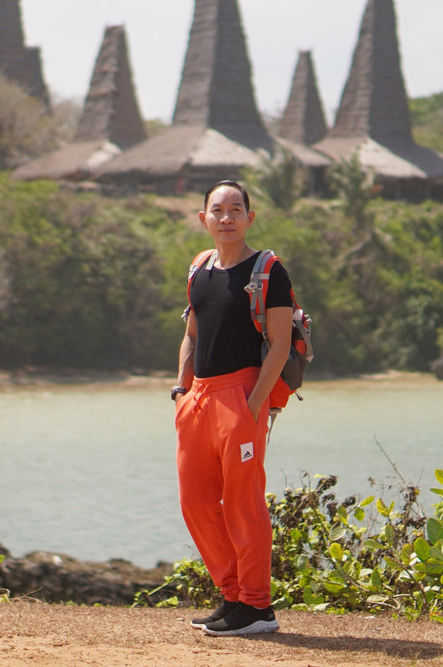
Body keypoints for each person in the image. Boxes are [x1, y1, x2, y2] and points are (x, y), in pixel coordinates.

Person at [172, 180, 293, 636]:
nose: (226, 217)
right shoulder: (199, 268)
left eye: (236, 209)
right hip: (198, 398)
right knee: (196, 502)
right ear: (203, 219)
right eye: (217, 210)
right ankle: (232, 597)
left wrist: (252, 405)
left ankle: (258, 607)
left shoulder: (268, 270)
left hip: (242, 394)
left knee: (243, 503)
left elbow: (280, 346)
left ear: (250, 218)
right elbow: (191, 334)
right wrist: (182, 390)